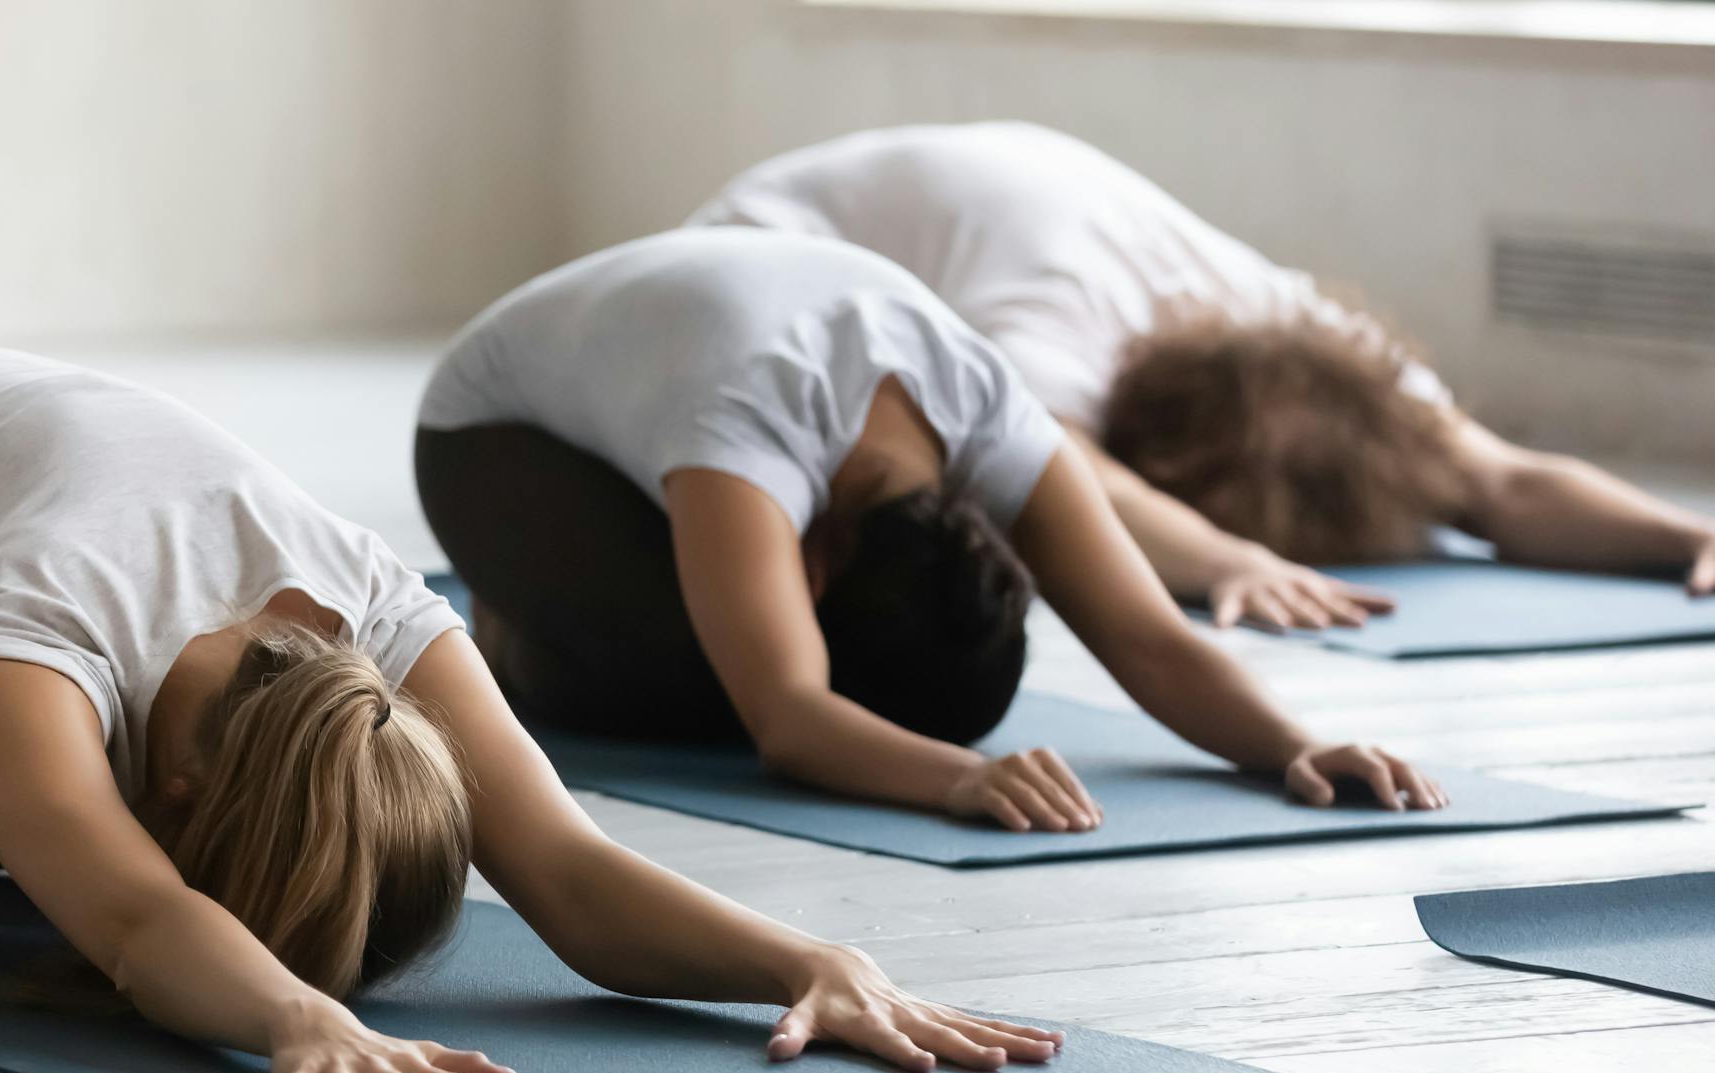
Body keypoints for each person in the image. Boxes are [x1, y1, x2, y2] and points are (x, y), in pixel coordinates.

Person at [0, 345, 1069, 1073]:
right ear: (171, 783)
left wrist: (811, 961)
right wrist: (295, 1014)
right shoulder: (33, 629)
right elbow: (136, 913)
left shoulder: (372, 615)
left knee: (3, 832)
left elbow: (561, 862)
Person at [417, 228, 1446, 833]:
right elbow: (788, 716)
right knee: (713, 688)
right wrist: (963, 776)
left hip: (661, 373)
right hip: (495, 433)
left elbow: (1149, 634)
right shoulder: (745, 436)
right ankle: (510, 632)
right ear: (816, 563)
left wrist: (1299, 746)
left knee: (777, 683)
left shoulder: (987, 411)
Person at [689, 121, 1715, 629]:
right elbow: (1074, 482)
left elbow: (1503, 482)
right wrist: (1227, 561)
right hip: (733, 289)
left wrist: (1689, 538)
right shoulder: (1061, 312)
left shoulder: (1297, 324)